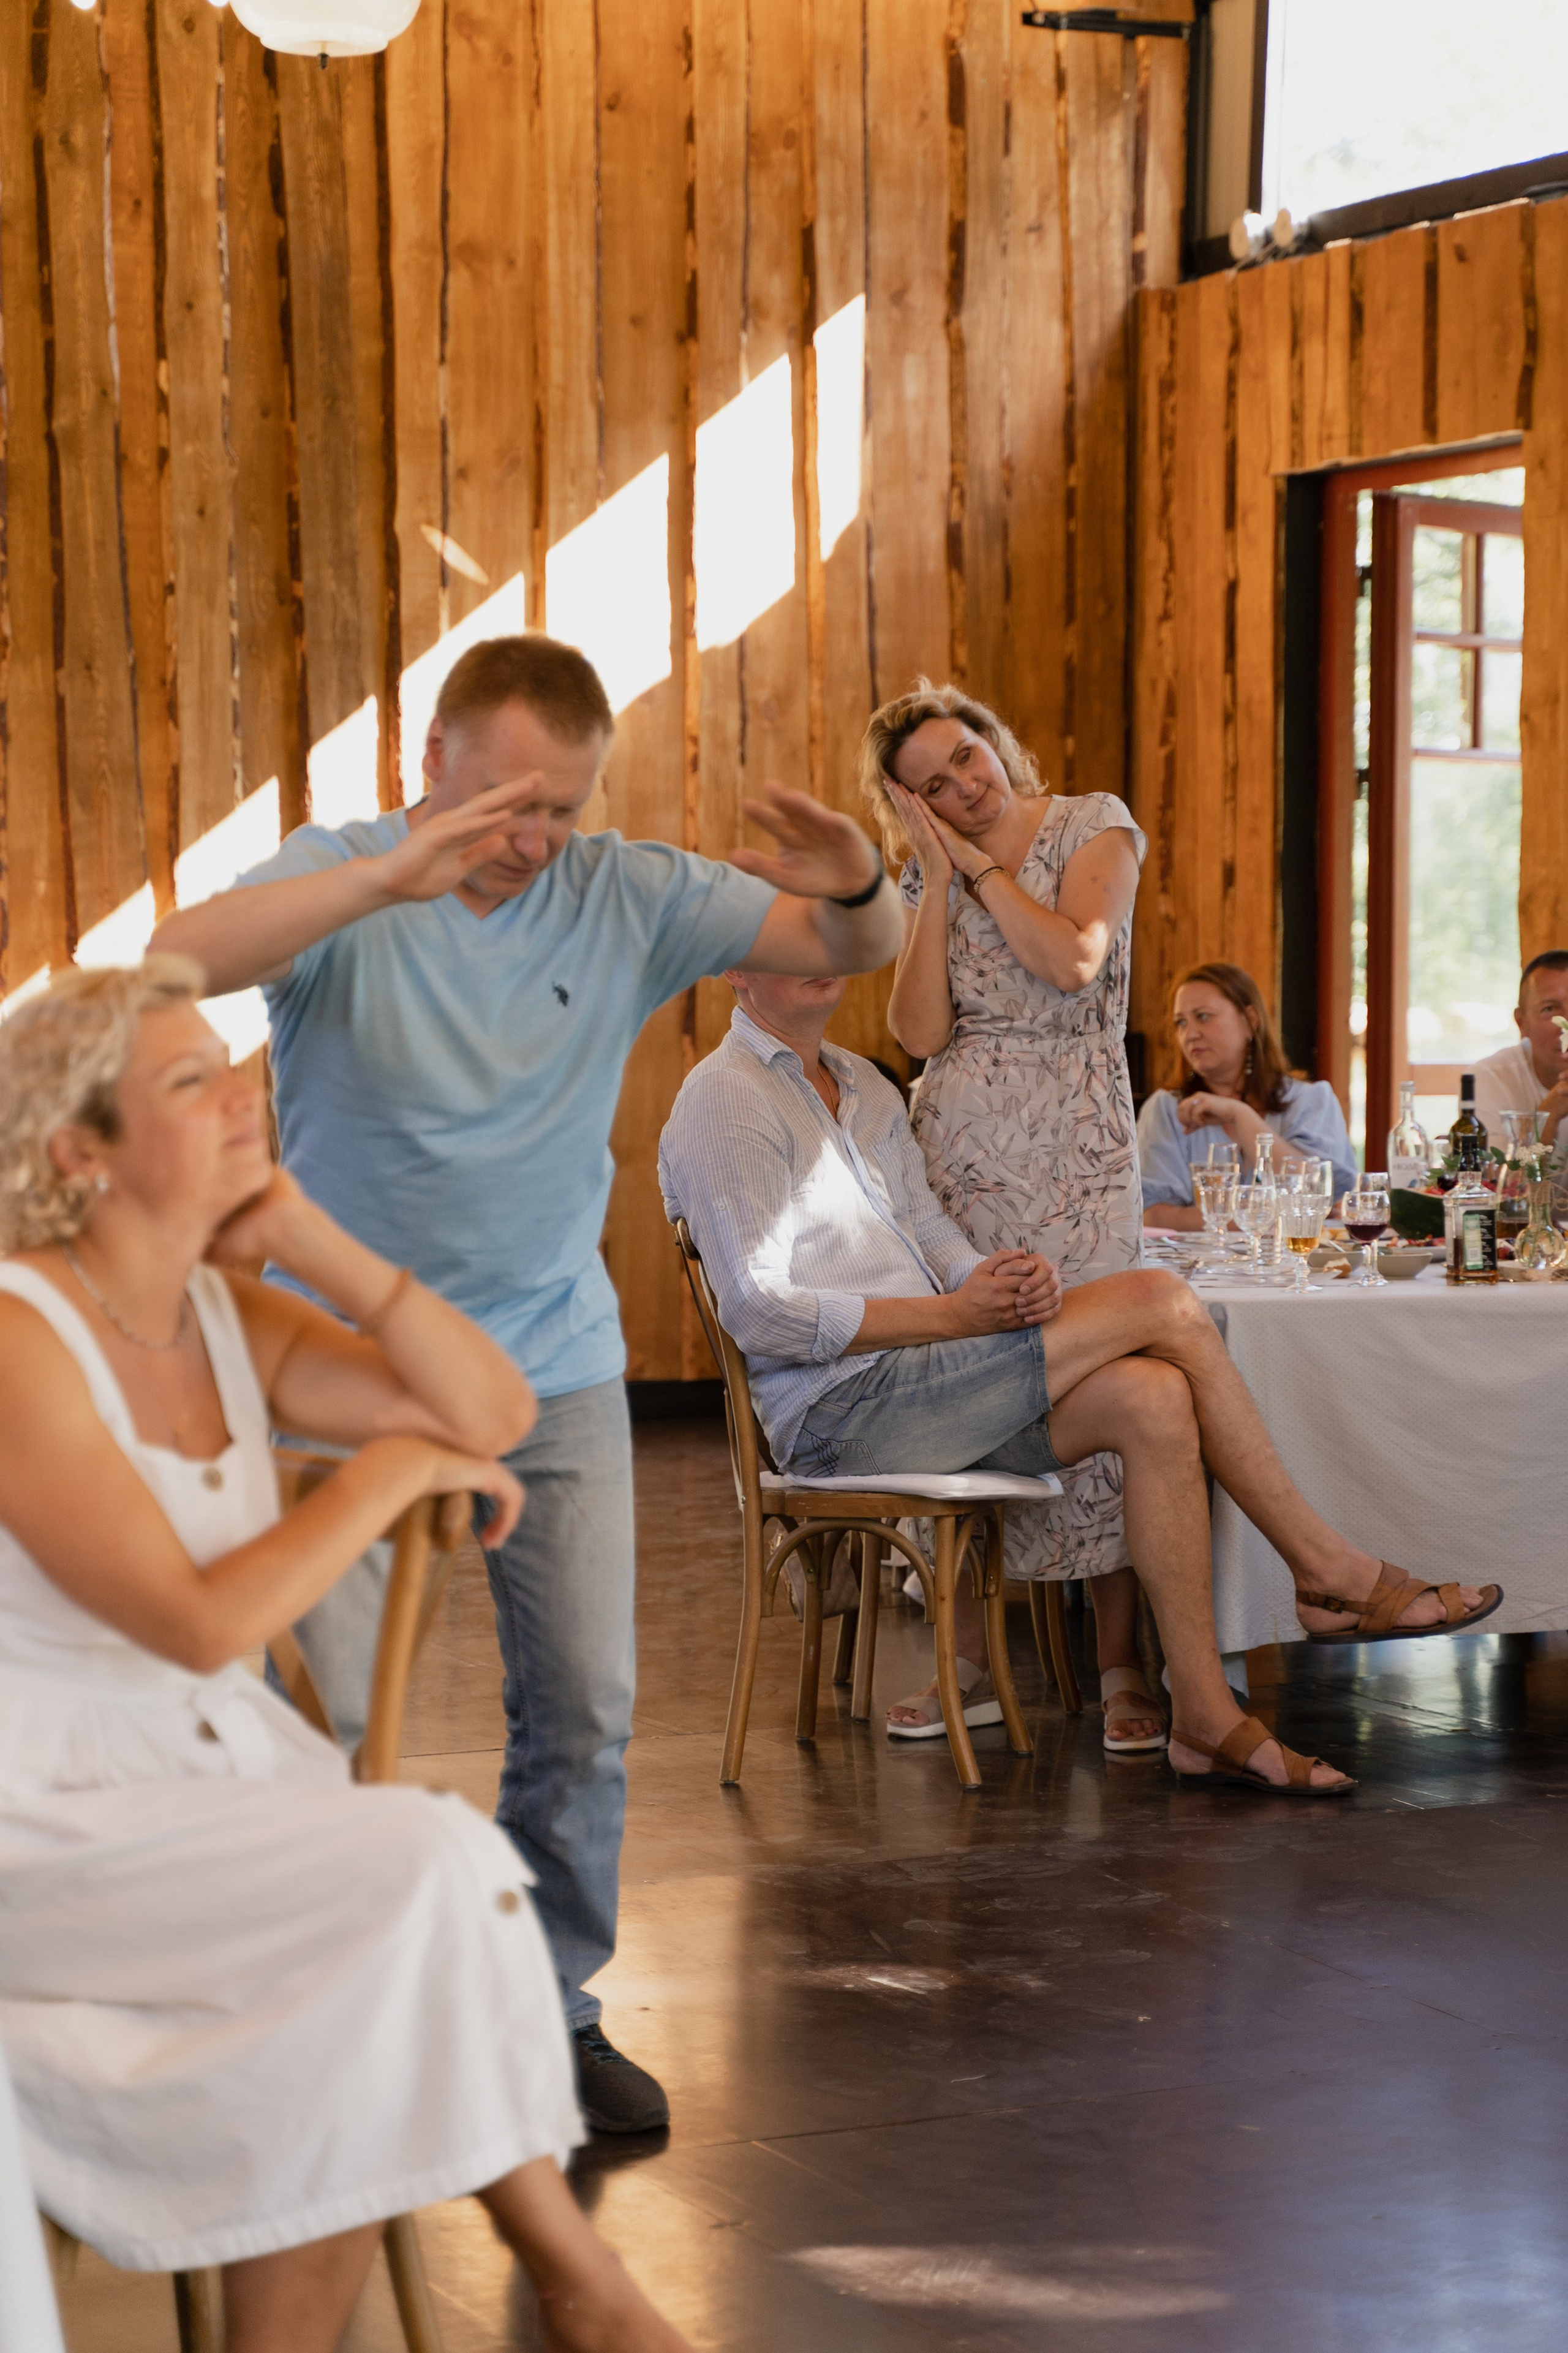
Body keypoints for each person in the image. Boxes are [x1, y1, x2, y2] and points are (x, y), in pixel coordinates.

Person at [152, 633, 902, 2134]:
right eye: (501, 801)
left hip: (547, 1361)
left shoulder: (621, 890)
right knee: (327, 1709)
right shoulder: (347, 875)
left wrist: (864, 878)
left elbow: (844, 948)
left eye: (559, 804)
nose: (531, 837)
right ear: (428, 763)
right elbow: (179, 957)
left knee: (586, 1702)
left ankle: (550, 2003)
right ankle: (342, 1998)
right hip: (334, 1361)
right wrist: (383, 881)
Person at [0, 961, 688, 2353]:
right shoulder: (19, 1335)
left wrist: (313, 1236)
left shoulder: (220, 1309)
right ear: (83, 1150)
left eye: (234, 1063)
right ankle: (575, 2274)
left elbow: (490, 1405)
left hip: (211, 1788)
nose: (242, 1092)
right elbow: (197, 1624)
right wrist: (375, 1479)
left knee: (380, 1956)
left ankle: (567, 2282)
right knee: (431, 1864)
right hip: (46, 1816)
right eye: (190, 1082)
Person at [660, 969, 1501, 1797]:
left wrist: (989, 1275)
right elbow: (759, 1312)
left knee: (1154, 1398)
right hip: (842, 1414)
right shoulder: (724, 1097)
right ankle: (1330, 1570)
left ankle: (1204, 1717)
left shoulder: (862, 1083)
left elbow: (924, 1228)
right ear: (736, 966)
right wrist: (958, 1319)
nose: (826, 949)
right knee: (1163, 1299)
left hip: (930, 1383)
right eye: (794, 936)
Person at [861, 681, 1161, 1756]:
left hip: (1077, 1154)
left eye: (966, 760)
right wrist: (936, 882)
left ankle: (1121, 1659)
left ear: (995, 738)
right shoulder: (925, 870)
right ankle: (977, 1659)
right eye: (932, 787)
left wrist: (982, 869)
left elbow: (1073, 965)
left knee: (1111, 1387)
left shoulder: (1094, 823)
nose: (962, 787)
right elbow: (919, 1031)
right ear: (909, 804)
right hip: (965, 1170)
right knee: (982, 1388)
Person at [1138, 961, 1355, 1228]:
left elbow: (1319, 1195)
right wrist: (1265, 1218)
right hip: (1198, 1267)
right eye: (1181, 1022)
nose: (1190, 1034)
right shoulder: (1166, 1109)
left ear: (1250, 1021)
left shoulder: (1312, 1101)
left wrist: (1239, 1115)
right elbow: (1153, 1215)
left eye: (1203, 1016)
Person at [1472, 951, 1568, 1150]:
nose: (1566, 1024)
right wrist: (1549, 1113)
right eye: (1550, 1009)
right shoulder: (1492, 1077)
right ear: (1521, 1022)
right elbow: (1495, 1179)